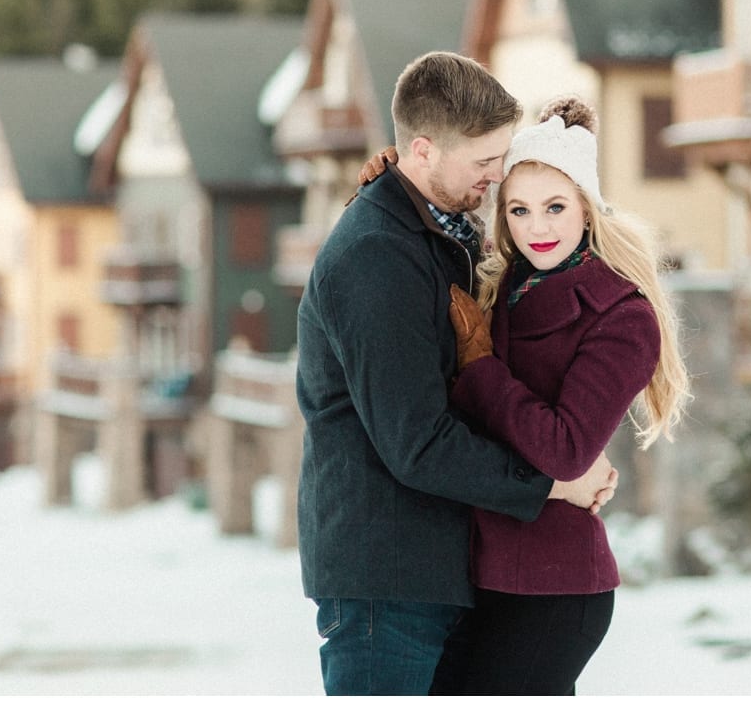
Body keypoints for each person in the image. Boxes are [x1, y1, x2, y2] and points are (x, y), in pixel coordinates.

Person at [295, 52, 618, 696]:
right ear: (421, 151)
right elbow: (418, 444)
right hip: (384, 587)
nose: (497, 178)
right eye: (484, 162)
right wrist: (553, 483)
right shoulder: (376, 259)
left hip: (434, 573)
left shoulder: (432, 233)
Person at [428, 94, 692, 695]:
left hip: (553, 587)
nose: (537, 227)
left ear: (587, 208)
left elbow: (567, 451)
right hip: (484, 571)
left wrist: (480, 365)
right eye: (519, 210)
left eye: (555, 206)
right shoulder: (507, 284)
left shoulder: (621, 316)